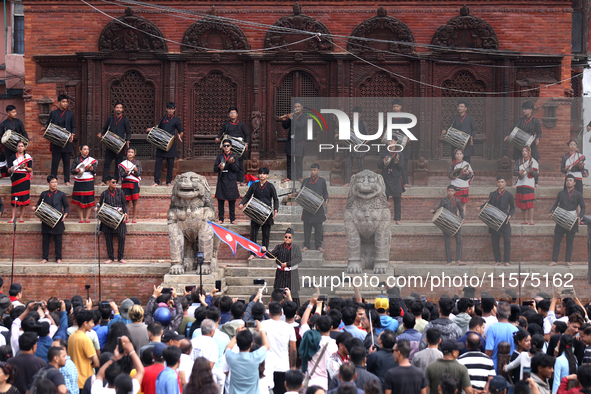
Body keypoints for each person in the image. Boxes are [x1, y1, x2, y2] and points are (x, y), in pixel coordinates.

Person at [239, 167, 278, 259]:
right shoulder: (254, 186)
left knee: (266, 235)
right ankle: (252, 253)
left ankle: (263, 253)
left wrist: (276, 209)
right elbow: (247, 196)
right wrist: (242, 203)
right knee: (253, 234)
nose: (262, 175)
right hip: (255, 212)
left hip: (267, 213)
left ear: (267, 175)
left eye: (264, 174)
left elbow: (275, 199)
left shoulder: (270, 186)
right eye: (260, 173)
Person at [548, 175, 585, 267]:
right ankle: (554, 260)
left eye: (570, 180)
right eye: (567, 180)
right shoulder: (561, 193)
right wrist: (551, 212)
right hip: (560, 219)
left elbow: (583, 207)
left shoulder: (578, 194)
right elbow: (556, 204)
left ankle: (567, 261)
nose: (568, 182)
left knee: (570, 242)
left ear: (574, 183)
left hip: (572, 220)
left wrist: (579, 217)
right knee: (557, 241)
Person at [261, 302, 297, 394]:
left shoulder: (263, 325)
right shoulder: (289, 328)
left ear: (269, 313)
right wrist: (293, 366)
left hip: (266, 366)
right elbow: (293, 349)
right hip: (283, 366)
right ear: (282, 313)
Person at [477, 177, 515, 267]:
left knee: (507, 241)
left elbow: (513, 207)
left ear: (505, 183)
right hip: (493, 220)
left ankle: (506, 261)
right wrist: (481, 207)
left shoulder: (509, 195)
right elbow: (488, 203)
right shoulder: (492, 194)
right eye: (499, 182)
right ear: (496, 183)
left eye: (502, 182)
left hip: (504, 220)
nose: (500, 184)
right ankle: (497, 260)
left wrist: (510, 215)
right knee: (495, 242)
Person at [34, 175, 69, 264]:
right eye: (52, 182)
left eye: (56, 182)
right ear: (48, 184)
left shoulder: (61, 194)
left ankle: (58, 258)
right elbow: (39, 204)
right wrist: (35, 207)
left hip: (58, 220)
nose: (55, 184)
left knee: (58, 241)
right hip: (46, 220)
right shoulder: (44, 194)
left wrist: (65, 214)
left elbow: (66, 206)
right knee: (45, 240)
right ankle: (45, 258)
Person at [224, 326, 270, 394]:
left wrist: (238, 335)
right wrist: (261, 328)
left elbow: (228, 348)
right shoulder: (255, 357)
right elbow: (266, 345)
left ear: (237, 344)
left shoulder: (232, 358)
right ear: (251, 345)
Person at [43, 94, 75, 186]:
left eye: (66, 102)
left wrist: (72, 134)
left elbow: (73, 126)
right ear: (59, 103)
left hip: (66, 141)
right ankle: (52, 180)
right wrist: (45, 127)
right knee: (55, 162)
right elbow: (48, 123)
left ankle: (67, 181)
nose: (65, 104)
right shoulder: (53, 113)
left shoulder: (70, 114)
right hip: (56, 141)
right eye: (63, 102)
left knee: (66, 162)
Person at [96, 175, 129, 264]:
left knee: (121, 236)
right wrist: (97, 209)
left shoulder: (120, 192)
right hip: (108, 217)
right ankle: (110, 257)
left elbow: (124, 204)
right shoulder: (104, 193)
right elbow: (100, 205)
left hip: (119, 216)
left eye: (116, 182)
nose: (115, 184)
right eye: (113, 182)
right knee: (108, 238)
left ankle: (120, 257)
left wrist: (125, 213)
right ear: (108, 183)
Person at [151, 102, 183, 187]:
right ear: (166, 109)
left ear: (174, 110)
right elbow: (157, 128)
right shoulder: (163, 119)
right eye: (169, 109)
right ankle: (156, 182)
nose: (170, 110)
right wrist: (151, 130)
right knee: (158, 163)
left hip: (170, 144)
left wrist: (180, 136)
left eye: (172, 109)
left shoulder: (176, 120)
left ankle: (168, 182)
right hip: (161, 144)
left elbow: (181, 131)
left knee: (170, 164)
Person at [97, 102, 130, 184]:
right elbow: (104, 128)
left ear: (122, 110)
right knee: (106, 164)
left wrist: (128, 140)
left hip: (120, 146)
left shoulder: (125, 120)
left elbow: (128, 132)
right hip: (110, 145)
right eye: (117, 107)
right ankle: (104, 181)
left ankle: (116, 181)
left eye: (120, 107)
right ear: (114, 109)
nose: (118, 109)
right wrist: (101, 132)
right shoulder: (110, 119)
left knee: (118, 165)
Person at [431, 185, 465, 266]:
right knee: (447, 242)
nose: (450, 192)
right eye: (449, 191)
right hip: (446, 223)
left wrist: (462, 219)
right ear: (447, 191)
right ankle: (449, 261)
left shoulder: (457, 200)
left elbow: (461, 210)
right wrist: (433, 211)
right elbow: (439, 209)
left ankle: (458, 260)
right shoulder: (444, 200)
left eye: (452, 191)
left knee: (459, 241)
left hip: (455, 222)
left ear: (454, 192)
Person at [216, 106, 250, 185]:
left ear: (237, 114)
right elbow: (221, 134)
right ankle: (230, 180)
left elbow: (247, 134)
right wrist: (217, 139)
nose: (232, 114)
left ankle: (240, 181)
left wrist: (247, 143)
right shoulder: (226, 125)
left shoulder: (241, 124)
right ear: (228, 115)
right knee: (228, 163)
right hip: (229, 147)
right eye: (231, 113)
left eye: (234, 113)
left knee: (240, 164)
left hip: (239, 146)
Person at [68, 309, 100, 389]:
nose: (93, 325)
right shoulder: (85, 340)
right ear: (85, 323)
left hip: (74, 380)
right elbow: (96, 363)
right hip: (85, 381)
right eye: (92, 322)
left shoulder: (71, 336)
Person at [270, 229, 302, 306]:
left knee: (294, 292)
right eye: (286, 237)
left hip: (292, 273)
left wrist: (288, 264)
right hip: (281, 273)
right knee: (278, 291)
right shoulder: (279, 247)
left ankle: (296, 309)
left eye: (289, 237)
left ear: (293, 239)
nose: (287, 239)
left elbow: (299, 259)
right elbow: (271, 255)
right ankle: (276, 308)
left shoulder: (296, 248)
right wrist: (264, 251)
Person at [301, 163, 329, 252]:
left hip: (318, 208)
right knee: (307, 229)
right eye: (311, 170)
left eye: (314, 170)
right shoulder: (305, 181)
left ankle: (318, 246)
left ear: (318, 170)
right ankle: (306, 245)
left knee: (318, 229)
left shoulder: (322, 181)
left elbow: (325, 192)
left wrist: (326, 199)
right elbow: (302, 192)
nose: (312, 172)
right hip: (307, 208)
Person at [378, 138, 405, 224]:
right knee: (384, 199)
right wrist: (383, 161)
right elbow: (379, 166)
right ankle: (383, 218)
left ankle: (397, 219)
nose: (390, 143)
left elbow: (401, 167)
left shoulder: (399, 153)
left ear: (396, 142)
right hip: (386, 177)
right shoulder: (384, 153)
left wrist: (396, 162)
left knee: (397, 199)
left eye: (392, 141)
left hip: (396, 178)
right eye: (389, 141)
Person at [506, 101, 542, 166]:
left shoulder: (535, 121)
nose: (523, 111)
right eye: (523, 109)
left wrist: (538, 139)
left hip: (531, 144)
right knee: (519, 163)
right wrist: (508, 135)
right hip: (520, 145)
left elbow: (539, 132)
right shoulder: (520, 120)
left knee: (533, 163)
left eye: (525, 109)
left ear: (531, 110)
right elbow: (512, 129)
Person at [485, 302, 519, 371]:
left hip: (494, 368)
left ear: (496, 315)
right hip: (511, 367)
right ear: (509, 315)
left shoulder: (492, 329)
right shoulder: (515, 329)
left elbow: (489, 351)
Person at [214, 139, 240, 224]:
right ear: (222, 147)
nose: (226, 147)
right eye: (224, 146)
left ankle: (232, 219)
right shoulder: (219, 157)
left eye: (228, 145)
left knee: (232, 201)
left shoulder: (234, 156)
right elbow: (214, 169)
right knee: (220, 201)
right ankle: (221, 218)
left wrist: (232, 164)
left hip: (231, 180)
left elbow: (236, 169)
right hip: (222, 179)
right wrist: (218, 167)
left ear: (231, 147)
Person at [70, 144, 97, 223]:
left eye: (87, 149)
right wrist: (76, 170)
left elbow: (95, 171)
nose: (86, 151)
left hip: (89, 182)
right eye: (84, 149)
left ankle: (87, 218)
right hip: (79, 182)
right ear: (80, 150)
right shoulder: (76, 160)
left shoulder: (92, 160)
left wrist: (92, 169)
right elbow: (71, 171)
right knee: (79, 200)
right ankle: (81, 218)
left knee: (89, 200)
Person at [7, 140, 32, 223]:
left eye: (22, 146)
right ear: (16, 147)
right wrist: (11, 169)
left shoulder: (27, 157)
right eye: (19, 146)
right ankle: (13, 218)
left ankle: (21, 217)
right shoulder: (12, 157)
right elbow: (8, 170)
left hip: (25, 179)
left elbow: (30, 169)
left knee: (24, 199)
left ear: (24, 147)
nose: (20, 148)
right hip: (15, 179)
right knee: (14, 199)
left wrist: (25, 168)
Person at [342, 106, 367, 187]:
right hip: (349, 146)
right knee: (348, 165)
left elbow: (369, 136)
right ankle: (347, 182)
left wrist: (363, 143)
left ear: (360, 114)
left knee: (361, 165)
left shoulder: (363, 123)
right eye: (354, 114)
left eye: (357, 114)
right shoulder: (349, 123)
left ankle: (363, 181)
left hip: (360, 147)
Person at [0, 104, 28, 177]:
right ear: (8, 113)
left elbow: (24, 132)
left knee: (21, 163)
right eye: (13, 112)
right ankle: (12, 178)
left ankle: (21, 177)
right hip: (8, 148)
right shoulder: (3, 124)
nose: (15, 114)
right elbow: (0, 136)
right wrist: (5, 142)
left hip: (19, 147)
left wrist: (26, 141)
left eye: (15, 112)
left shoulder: (18, 122)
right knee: (10, 164)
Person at [514, 146, 539, 225]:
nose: (524, 153)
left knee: (529, 202)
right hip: (520, 183)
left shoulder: (533, 161)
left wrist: (531, 172)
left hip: (529, 184)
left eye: (526, 151)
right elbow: (514, 172)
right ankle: (525, 220)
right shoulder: (519, 161)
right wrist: (518, 172)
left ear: (529, 152)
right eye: (523, 151)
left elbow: (536, 174)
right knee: (522, 202)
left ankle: (531, 220)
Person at [283, 100, 306, 182]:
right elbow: (285, 126)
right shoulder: (291, 116)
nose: (296, 108)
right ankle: (289, 177)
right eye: (295, 107)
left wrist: (292, 118)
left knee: (299, 160)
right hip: (291, 141)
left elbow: (300, 125)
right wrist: (286, 120)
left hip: (299, 141)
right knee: (289, 160)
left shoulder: (303, 117)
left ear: (301, 108)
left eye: (298, 107)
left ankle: (299, 177)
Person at [391, 98, 413, 187]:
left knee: (404, 162)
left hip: (403, 144)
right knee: (392, 161)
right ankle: (393, 182)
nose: (395, 108)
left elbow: (410, 128)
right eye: (394, 107)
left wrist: (409, 137)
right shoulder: (390, 117)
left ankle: (405, 182)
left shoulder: (405, 117)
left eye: (397, 106)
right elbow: (385, 128)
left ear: (400, 107)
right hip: (393, 144)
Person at [118, 147, 142, 223]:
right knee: (126, 201)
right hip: (126, 183)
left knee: (135, 201)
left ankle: (134, 218)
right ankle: (127, 217)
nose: (130, 153)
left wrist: (135, 171)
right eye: (129, 152)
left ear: (134, 154)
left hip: (134, 183)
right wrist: (125, 171)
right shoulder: (123, 163)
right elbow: (121, 174)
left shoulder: (137, 162)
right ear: (127, 153)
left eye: (132, 152)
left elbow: (139, 173)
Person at [448, 148, 473, 218]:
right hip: (455, 185)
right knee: (454, 202)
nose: (459, 155)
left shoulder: (466, 164)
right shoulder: (452, 164)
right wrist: (454, 175)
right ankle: (455, 218)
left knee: (463, 203)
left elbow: (471, 175)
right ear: (455, 155)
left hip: (464, 186)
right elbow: (449, 174)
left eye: (460, 154)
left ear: (463, 155)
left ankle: (461, 219)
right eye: (457, 154)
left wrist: (467, 173)